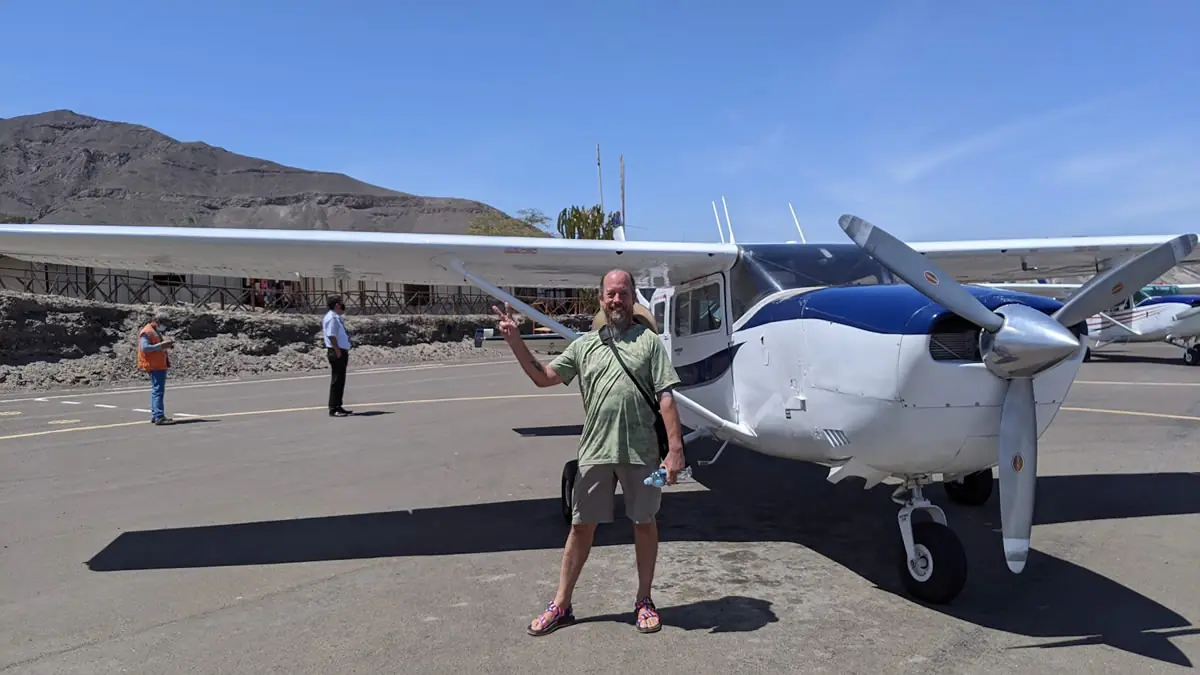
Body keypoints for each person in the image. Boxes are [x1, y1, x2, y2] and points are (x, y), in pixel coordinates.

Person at [493, 269, 685, 636]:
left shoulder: (649, 343)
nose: (617, 300)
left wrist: (675, 450)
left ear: (633, 299)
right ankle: (561, 604)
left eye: (623, 294)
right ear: (601, 299)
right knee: (581, 527)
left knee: (644, 523)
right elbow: (543, 377)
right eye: (610, 294)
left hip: (642, 451)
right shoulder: (584, 345)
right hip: (595, 452)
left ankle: (644, 600)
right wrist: (516, 341)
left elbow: (665, 396)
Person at [136, 310, 176, 425]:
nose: (165, 327)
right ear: (157, 321)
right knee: (158, 391)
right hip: (154, 365)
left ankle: (156, 415)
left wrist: (167, 344)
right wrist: (161, 346)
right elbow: (145, 348)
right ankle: (159, 416)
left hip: (158, 364)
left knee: (157, 390)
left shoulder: (154, 331)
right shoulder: (147, 332)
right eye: (164, 323)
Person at [322, 296, 353, 417]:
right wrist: (337, 350)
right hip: (336, 351)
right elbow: (331, 336)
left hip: (340, 350)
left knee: (341, 380)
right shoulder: (332, 318)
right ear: (336, 305)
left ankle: (338, 405)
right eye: (341, 303)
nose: (343, 305)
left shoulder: (336, 317)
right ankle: (333, 408)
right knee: (336, 380)